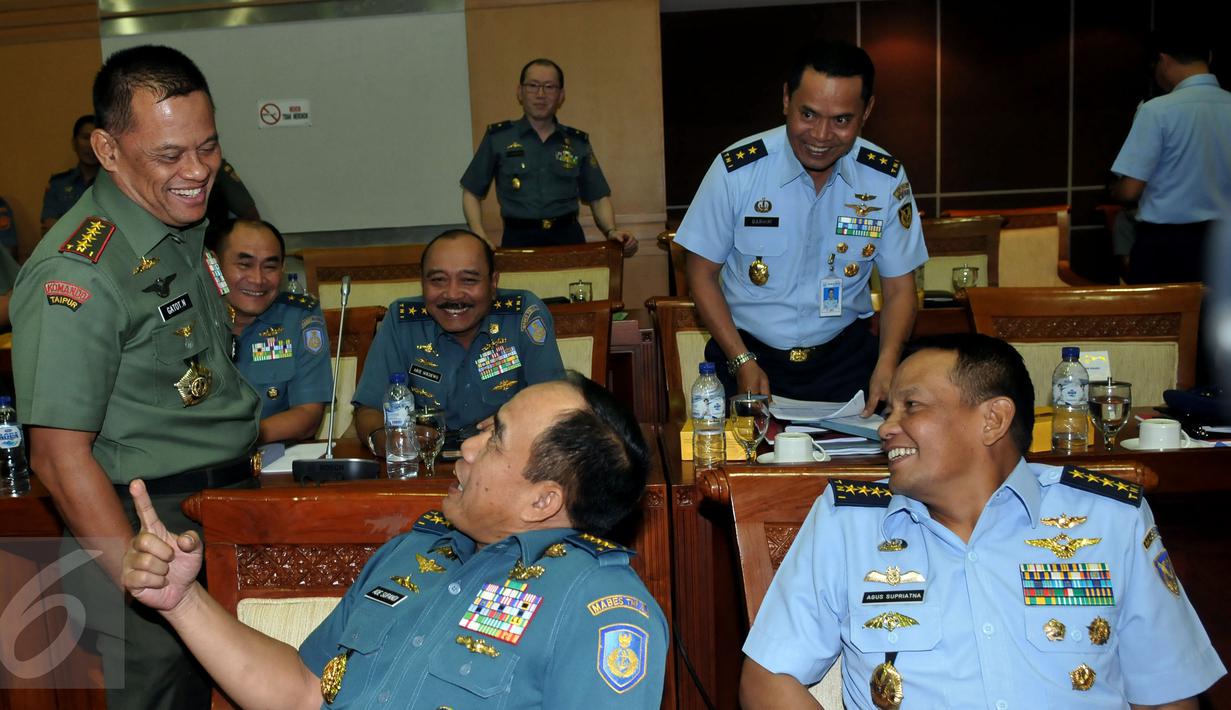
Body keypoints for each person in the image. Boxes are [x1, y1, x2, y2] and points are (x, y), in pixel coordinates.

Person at [122, 373, 668, 707]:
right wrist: (183, 600)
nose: (468, 447)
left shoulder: (599, 613)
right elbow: (303, 691)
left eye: (495, 436)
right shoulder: (419, 550)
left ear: (542, 501)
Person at [740, 333, 1226, 708]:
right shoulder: (849, 524)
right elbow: (767, 679)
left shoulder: (1107, 519)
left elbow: (1167, 691)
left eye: (912, 406)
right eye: (889, 410)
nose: (887, 427)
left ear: (992, 419)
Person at [11, 45, 260, 710]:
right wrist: (134, 570)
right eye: (170, 154)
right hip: (150, 525)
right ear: (107, 148)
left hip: (228, 507)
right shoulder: (79, 272)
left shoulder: (178, 227)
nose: (198, 170)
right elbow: (59, 459)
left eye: (208, 147)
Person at [675, 40, 927, 416]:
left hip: (846, 363)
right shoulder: (737, 171)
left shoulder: (884, 178)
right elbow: (701, 273)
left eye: (841, 120)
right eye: (808, 115)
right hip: (747, 358)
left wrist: (887, 363)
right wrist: (741, 359)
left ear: (867, 111)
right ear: (786, 101)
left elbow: (899, 288)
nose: (821, 136)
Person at [353, 228, 565, 452]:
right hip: (426, 462)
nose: (452, 294)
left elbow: (556, 405)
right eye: (438, 280)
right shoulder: (402, 320)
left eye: (468, 280)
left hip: (507, 457)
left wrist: (516, 423)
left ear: (493, 284)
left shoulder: (522, 314)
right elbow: (369, 410)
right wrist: (388, 440)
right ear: (422, 284)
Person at [460, 58, 638, 255]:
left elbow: (598, 197)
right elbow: (471, 191)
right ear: (520, 92)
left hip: (567, 238)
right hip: (518, 239)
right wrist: (479, 235)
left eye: (550, 87)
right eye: (533, 86)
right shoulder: (498, 138)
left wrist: (611, 230)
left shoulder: (577, 142)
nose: (541, 94)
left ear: (561, 95)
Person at [1110, 29, 1231, 285]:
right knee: (1217, 323)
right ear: (1208, 57)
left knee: (1162, 324)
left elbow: (1130, 191)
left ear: (1163, 60)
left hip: (1166, 247)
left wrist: (1115, 192)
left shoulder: (1157, 111)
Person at [210, 217, 331, 443]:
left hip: (273, 458)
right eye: (244, 265)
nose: (258, 279)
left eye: (270, 267)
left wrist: (241, 439)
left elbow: (308, 415)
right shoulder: (188, 318)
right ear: (214, 265)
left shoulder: (299, 318)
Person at [40, 113, 101, 235]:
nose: (90, 145)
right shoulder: (58, 184)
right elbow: (49, 228)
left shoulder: (115, 185)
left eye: (96, 139)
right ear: (74, 143)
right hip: (63, 252)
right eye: (85, 138)